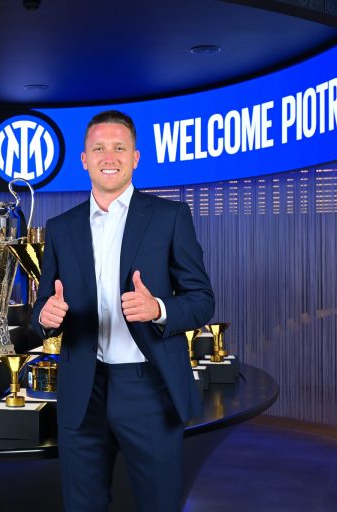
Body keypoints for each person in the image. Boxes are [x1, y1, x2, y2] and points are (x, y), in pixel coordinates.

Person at [32, 110, 214, 512]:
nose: (108, 155)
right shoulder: (61, 227)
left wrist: (159, 308)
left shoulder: (169, 217)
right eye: (98, 148)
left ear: (135, 158)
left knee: (158, 503)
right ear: (84, 159)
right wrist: (45, 317)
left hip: (148, 386)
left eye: (119, 147)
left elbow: (202, 299)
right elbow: (41, 308)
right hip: (83, 387)